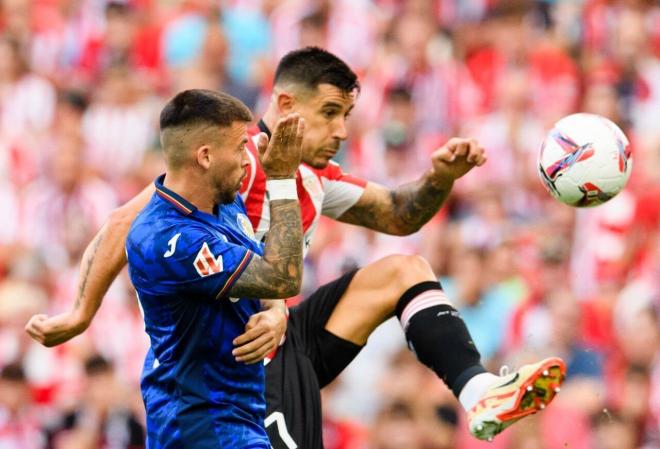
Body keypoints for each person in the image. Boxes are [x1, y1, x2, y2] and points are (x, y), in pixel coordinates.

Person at [26, 48, 565, 447]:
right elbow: (127, 220)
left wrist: (440, 178)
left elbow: (400, 215)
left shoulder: (313, 176)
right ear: (285, 104)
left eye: (347, 116)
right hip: (240, 360)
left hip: (281, 330)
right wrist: (80, 313)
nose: (342, 130)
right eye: (330, 112)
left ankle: (479, 393)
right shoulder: (233, 161)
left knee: (406, 270)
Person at [29, 89, 307, 448]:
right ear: (205, 157)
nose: (248, 161)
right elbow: (282, 275)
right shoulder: (170, 240)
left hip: (232, 413)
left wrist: (275, 313)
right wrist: (282, 179)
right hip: (199, 423)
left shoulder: (221, 201)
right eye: (240, 147)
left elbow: (267, 279)